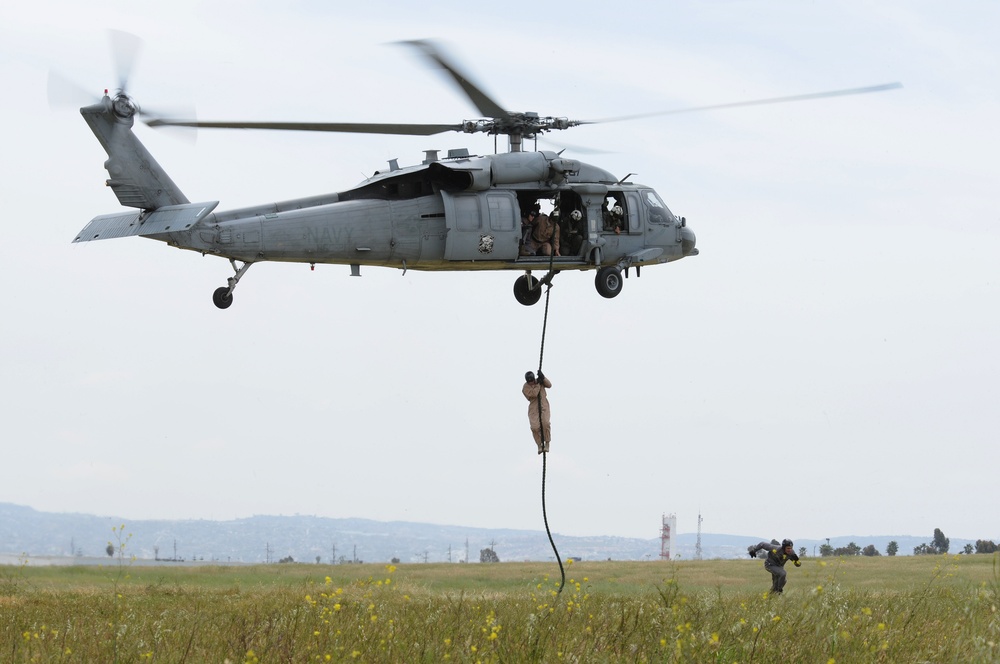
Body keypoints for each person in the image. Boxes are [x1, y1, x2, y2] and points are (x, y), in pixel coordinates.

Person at [522, 370, 552, 454]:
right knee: (535, 427)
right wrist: (538, 384)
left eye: (532, 381)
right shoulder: (525, 387)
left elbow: (549, 385)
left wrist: (543, 377)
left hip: (544, 405)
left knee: (545, 423)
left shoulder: (539, 381)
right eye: (529, 382)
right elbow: (533, 394)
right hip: (533, 408)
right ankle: (539, 444)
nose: (531, 383)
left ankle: (547, 443)